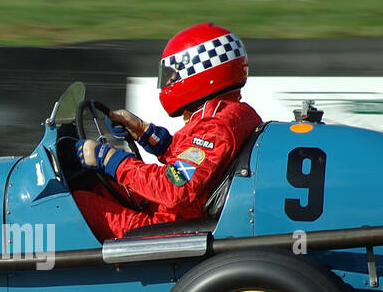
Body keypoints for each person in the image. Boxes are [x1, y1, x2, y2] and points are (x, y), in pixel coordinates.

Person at [73, 23, 263, 241]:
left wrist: (110, 159)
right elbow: (195, 163)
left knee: (76, 203)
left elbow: (176, 188)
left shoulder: (216, 127)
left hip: (177, 225)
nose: (169, 82)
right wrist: (145, 132)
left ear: (203, 72)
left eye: (173, 75)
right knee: (98, 188)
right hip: (184, 212)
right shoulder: (231, 114)